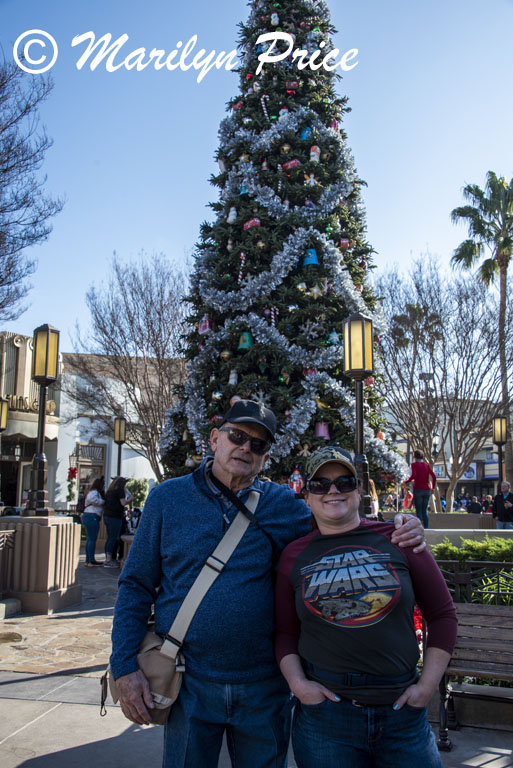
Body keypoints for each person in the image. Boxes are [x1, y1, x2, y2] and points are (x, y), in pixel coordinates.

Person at [110, 400, 425, 768]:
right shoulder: (167, 499)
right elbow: (134, 585)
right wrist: (123, 666)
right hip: (188, 682)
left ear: (266, 456)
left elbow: (340, 523)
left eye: (258, 444)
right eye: (237, 436)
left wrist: (400, 526)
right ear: (214, 439)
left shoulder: (285, 506)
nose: (246, 448)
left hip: (265, 688)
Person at [275, 446, 457, 768]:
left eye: (344, 481)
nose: (333, 490)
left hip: (402, 714)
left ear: (359, 491)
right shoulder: (293, 555)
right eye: (320, 484)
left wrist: (426, 688)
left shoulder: (399, 538)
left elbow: (442, 615)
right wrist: (299, 686)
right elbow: (286, 632)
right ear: (307, 496)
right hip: (326, 720)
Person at [404, 450, 437, 528]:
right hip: (427, 490)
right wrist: (433, 488)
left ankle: (419, 528)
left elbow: (414, 475)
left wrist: (407, 481)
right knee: (424, 511)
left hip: (418, 489)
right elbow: (434, 476)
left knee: (418, 510)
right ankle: (426, 528)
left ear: (414, 456)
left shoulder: (414, 465)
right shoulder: (426, 465)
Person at [103, 476, 131, 567]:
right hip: (115, 516)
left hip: (107, 515)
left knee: (110, 537)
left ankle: (108, 557)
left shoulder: (109, 492)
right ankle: (109, 560)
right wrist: (130, 499)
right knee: (114, 538)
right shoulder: (120, 491)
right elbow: (123, 503)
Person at [82, 477, 105, 566]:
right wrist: (102, 501)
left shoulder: (91, 492)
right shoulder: (94, 492)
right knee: (92, 539)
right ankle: (91, 560)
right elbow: (93, 500)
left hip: (88, 516)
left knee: (89, 539)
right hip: (92, 516)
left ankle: (88, 560)